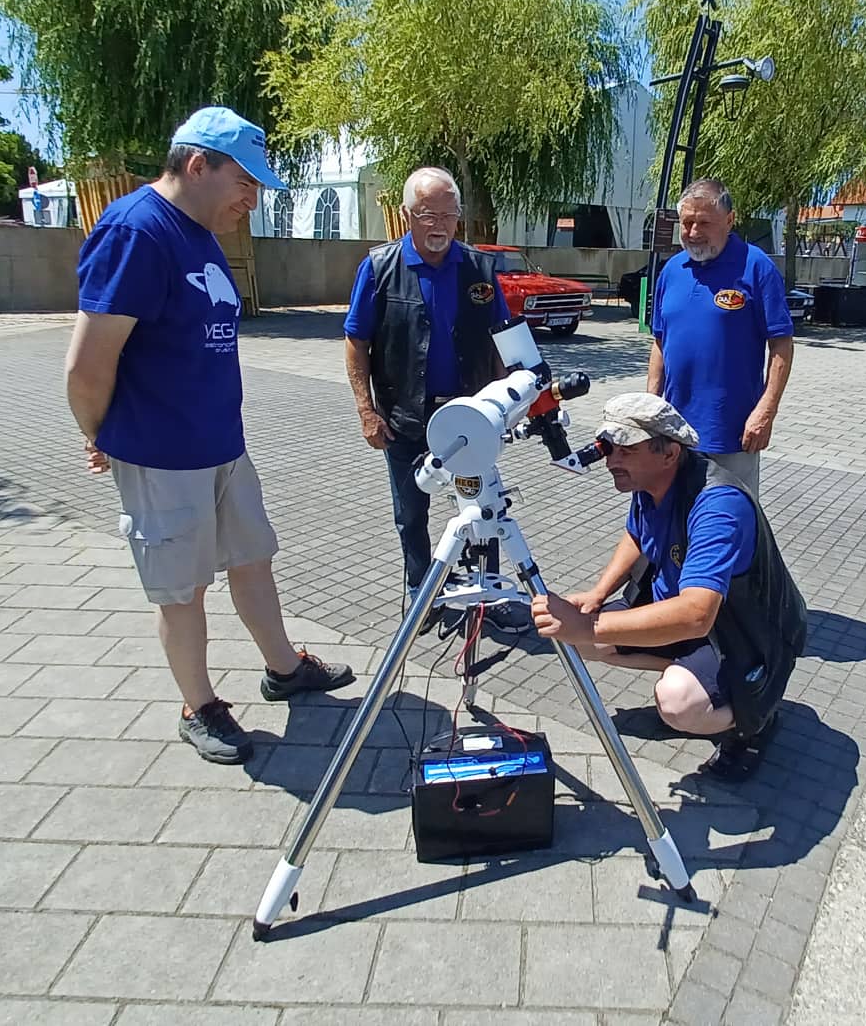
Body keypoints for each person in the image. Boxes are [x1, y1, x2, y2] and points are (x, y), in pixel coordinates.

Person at [65, 106, 355, 766]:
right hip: (162, 454)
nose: (251, 200)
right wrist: (98, 433)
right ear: (198, 165)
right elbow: (86, 365)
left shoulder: (197, 231)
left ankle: (284, 669)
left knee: (253, 558)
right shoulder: (137, 232)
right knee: (181, 589)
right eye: (244, 183)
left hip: (221, 444)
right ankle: (198, 707)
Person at [532, 393, 806, 781]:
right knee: (581, 641)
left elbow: (695, 616)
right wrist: (597, 596)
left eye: (626, 450)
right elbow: (637, 535)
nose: (611, 461)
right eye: (609, 449)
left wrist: (588, 625)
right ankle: (702, 684)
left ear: (669, 453)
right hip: (690, 616)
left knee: (676, 703)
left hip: (745, 633)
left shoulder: (718, 505)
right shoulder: (650, 482)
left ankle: (753, 718)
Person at [342, 167, 530, 639]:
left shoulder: (480, 269)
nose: (440, 224)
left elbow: (503, 338)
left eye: (449, 214)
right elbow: (357, 341)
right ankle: (421, 592)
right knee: (411, 514)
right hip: (405, 418)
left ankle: (486, 595)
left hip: (470, 418)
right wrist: (366, 410)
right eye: (429, 214)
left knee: (483, 509)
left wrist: (513, 401)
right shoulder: (380, 267)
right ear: (407, 214)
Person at [646, 179, 794, 497]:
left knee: (729, 519)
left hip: (731, 432)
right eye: (687, 222)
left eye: (704, 223)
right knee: (674, 518)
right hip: (672, 430)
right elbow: (659, 342)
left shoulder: (756, 267)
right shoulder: (671, 271)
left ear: (729, 220)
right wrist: (651, 405)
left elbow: (781, 344)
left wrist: (766, 411)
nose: (693, 232)